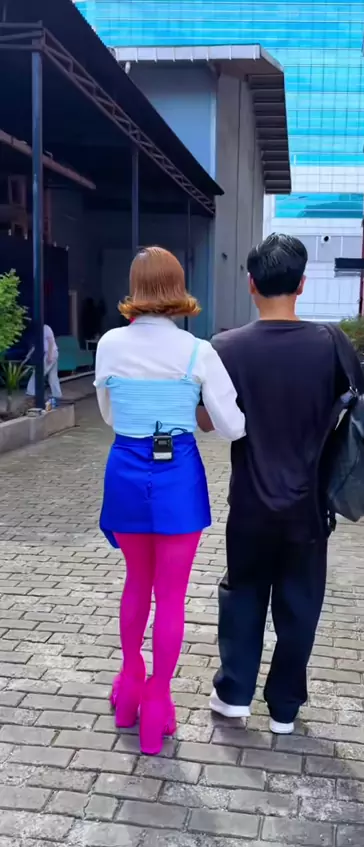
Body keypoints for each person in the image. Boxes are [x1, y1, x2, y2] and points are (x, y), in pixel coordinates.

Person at [94, 246, 245, 755]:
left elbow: (110, 417)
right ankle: (158, 699)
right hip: (177, 474)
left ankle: (129, 684)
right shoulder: (198, 351)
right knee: (172, 596)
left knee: (136, 580)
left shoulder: (110, 344)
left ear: (135, 288)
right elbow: (232, 426)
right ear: (177, 287)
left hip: (125, 469)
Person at [207, 233, 347, 734]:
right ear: (303, 284)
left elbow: (208, 420)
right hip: (309, 504)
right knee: (300, 605)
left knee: (243, 595)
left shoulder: (225, 347)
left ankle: (234, 695)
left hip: (249, 502)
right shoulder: (331, 343)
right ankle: (284, 709)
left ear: (251, 284)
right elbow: (357, 411)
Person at [26, 323, 62, 401]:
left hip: (50, 353)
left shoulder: (45, 328)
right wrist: (28, 355)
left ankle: (31, 392)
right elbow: (36, 345)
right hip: (52, 353)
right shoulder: (39, 331)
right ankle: (57, 394)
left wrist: (50, 355)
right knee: (53, 376)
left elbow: (51, 341)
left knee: (39, 372)